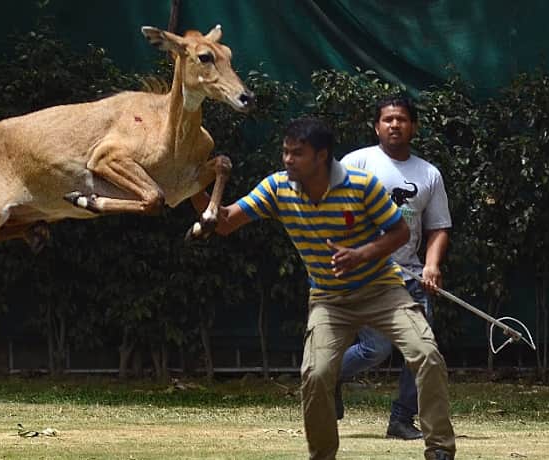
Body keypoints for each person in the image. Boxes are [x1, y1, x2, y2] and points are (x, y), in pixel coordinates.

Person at [192, 118, 455, 460]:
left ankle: (439, 450)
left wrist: (361, 254)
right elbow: (224, 223)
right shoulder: (277, 188)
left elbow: (399, 233)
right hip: (329, 300)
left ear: (322, 156)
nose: (287, 160)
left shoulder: (361, 186)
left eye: (297, 154)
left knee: (426, 354)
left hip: (382, 292)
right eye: (285, 152)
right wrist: (189, 189)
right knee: (316, 375)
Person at [335, 94, 453, 441]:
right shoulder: (355, 163)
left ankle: (401, 419)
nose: (394, 125)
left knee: (423, 351)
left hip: (412, 277)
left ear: (412, 126)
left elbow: (439, 227)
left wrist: (431, 265)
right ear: (376, 126)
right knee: (376, 349)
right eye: (387, 119)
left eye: (401, 119)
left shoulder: (428, 173)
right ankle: (328, 377)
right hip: (368, 275)